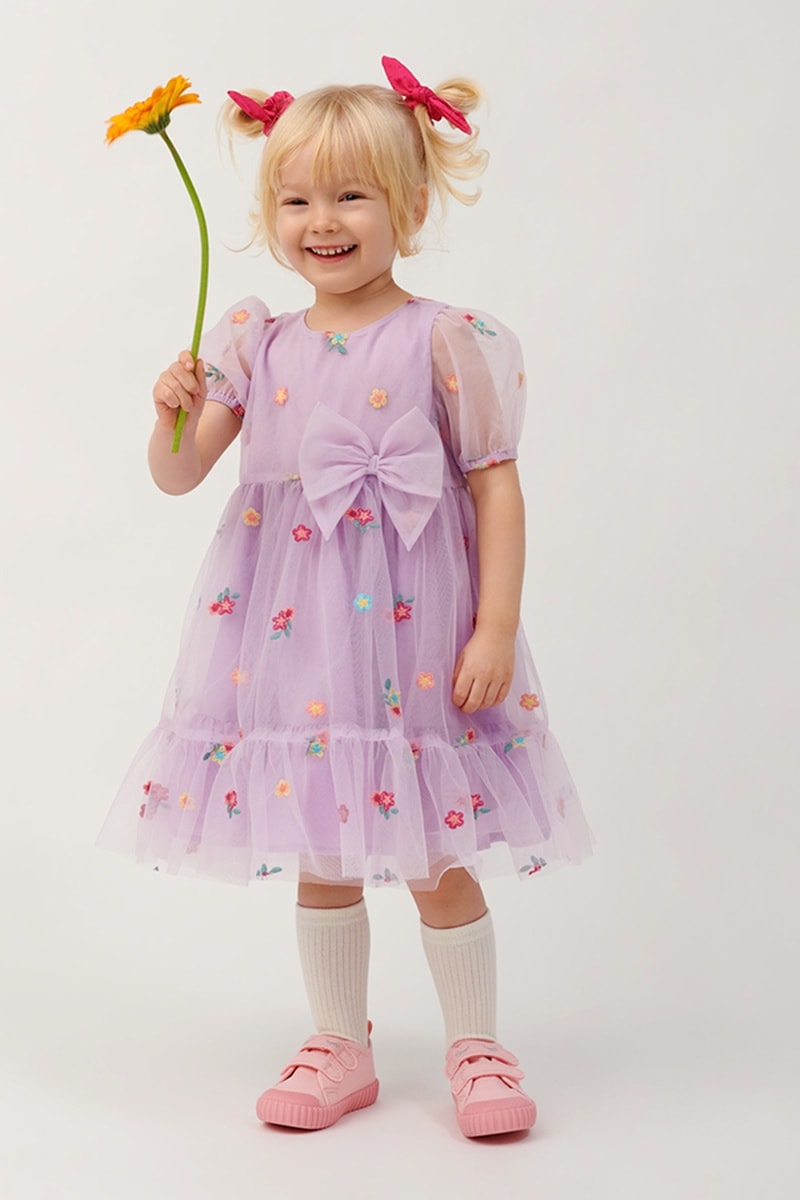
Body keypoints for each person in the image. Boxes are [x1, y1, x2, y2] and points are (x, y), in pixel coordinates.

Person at [97, 55, 594, 1139]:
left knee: (434, 852)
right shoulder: (255, 342)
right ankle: (339, 1043)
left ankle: (475, 1045)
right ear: (269, 214)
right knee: (321, 848)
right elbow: (178, 476)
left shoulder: (446, 339)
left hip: (419, 639)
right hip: (296, 642)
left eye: (351, 195)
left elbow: (495, 487)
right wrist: (170, 413)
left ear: (408, 205)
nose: (321, 221)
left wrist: (496, 626)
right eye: (296, 200)